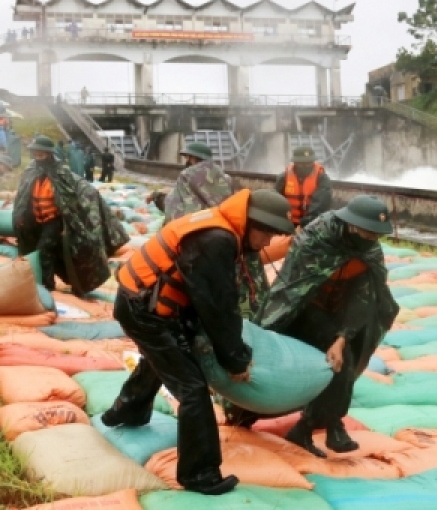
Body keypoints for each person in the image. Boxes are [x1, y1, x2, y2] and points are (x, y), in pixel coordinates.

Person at [99, 189, 292, 495]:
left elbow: (214, 299)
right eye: (267, 234)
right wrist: (235, 359)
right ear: (252, 223)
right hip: (144, 309)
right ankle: (199, 474)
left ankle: (126, 410)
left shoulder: (221, 229)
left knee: (164, 360)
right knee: (192, 388)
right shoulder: (215, 239)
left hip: (149, 302)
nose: (269, 243)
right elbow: (216, 307)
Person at [250, 196, 400, 456]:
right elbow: (295, 286)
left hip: (339, 313)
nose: (372, 239)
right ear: (352, 225)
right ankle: (246, 413)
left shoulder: (369, 251)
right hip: (303, 309)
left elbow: (362, 297)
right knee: (277, 363)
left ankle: (318, 425)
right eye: (368, 232)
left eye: (376, 235)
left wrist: (343, 337)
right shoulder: (316, 239)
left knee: (343, 364)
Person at [11, 135, 128, 294]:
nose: (38, 157)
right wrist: (20, 216)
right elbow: (22, 196)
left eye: (41, 154)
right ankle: (36, 284)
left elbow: (71, 197)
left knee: (44, 250)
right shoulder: (31, 171)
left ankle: (47, 286)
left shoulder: (61, 172)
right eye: (36, 154)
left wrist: (69, 222)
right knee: (32, 252)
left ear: (49, 154)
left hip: (53, 221)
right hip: (34, 220)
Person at [160, 142, 235, 221]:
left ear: (194, 157)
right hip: (222, 219)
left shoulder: (186, 175)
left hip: (195, 222)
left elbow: (175, 205)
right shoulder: (226, 177)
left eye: (188, 157)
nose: (187, 161)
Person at [274, 146, 333, 231]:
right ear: (295, 162)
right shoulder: (284, 177)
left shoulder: (322, 178)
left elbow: (321, 204)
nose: (305, 166)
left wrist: (304, 224)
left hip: (313, 224)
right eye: (302, 163)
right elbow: (277, 200)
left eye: (309, 163)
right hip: (287, 223)